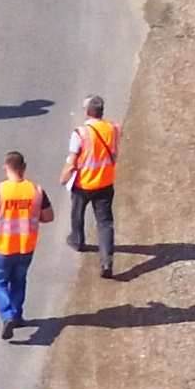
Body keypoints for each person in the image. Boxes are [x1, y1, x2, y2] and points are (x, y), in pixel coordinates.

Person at [0, 150, 51, 341]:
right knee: (19, 280)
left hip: (2, 247)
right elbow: (48, 216)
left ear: (5, 168)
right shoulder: (36, 190)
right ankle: (17, 316)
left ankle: (8, 315)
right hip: (26, 247)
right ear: (24, 168)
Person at [62, 95, 119, 277]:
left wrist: (64, 178)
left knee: (77, 213)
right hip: (105, 182)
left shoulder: (80, 133)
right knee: (105, 223)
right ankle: (106, 262)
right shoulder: (113, 129)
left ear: (87, 112)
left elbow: (72, 162)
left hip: (83, 183)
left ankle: (77, 240)